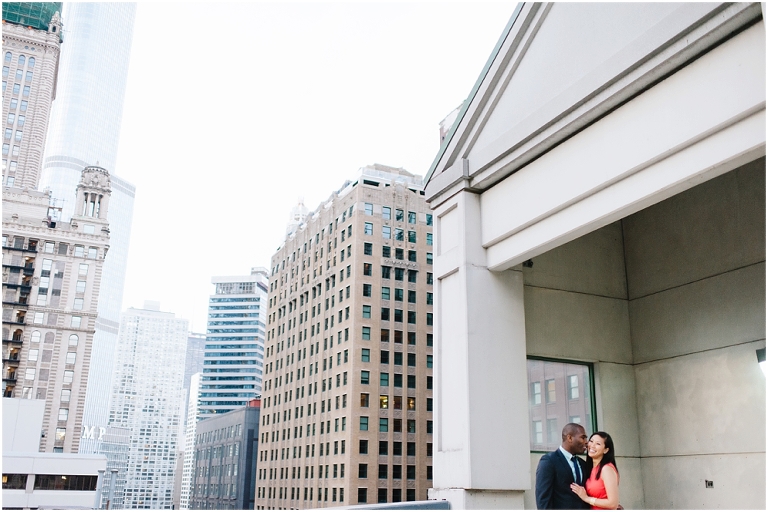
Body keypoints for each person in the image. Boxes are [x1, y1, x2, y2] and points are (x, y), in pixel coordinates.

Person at [535, 423, 590, 509]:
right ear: (570, 438)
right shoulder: (549, 461)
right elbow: (543, 498)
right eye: (583, 437)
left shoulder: (583, 464)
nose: (586, 442)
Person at [570, 431, 620, 510]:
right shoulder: (590, 468)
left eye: (598, 444)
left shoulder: (606, 469)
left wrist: (586, 498)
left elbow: (613, 503)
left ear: (606, 450)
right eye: (591, 441)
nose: (592, 446)